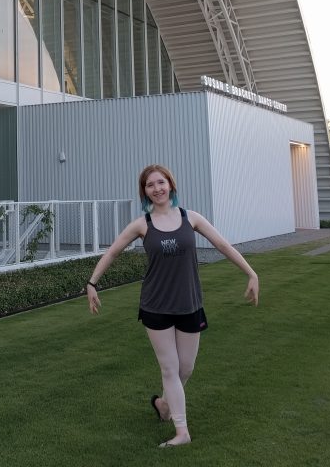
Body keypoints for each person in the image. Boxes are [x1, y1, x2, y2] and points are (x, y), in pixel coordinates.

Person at [86, 163, 259, 448]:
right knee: (169, 369)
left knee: (185, 369)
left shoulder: (191, 218)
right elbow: (113, 251)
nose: (157, 188)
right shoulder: (143, 224)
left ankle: (164, 405)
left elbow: (224, 246)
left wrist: (251, 273)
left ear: (171, 185)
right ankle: (182, 431)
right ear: (145, 192)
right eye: (150, 185)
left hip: (189, 303)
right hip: (156, 305)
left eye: (161, 182)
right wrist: (92, 283)